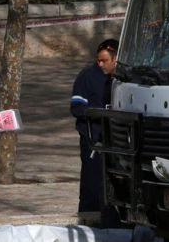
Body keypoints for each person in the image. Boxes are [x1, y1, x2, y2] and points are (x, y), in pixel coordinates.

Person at [70, 39, 120, 228]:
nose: (100, 64)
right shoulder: (87, 76)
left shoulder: (124, 78)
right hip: (93, 141)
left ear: (116, 59)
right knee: (92, 184)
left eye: (104, 61)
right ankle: (87, 224)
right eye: (98, 60)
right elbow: (76, 107)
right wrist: (99, 114)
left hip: (119, 142)